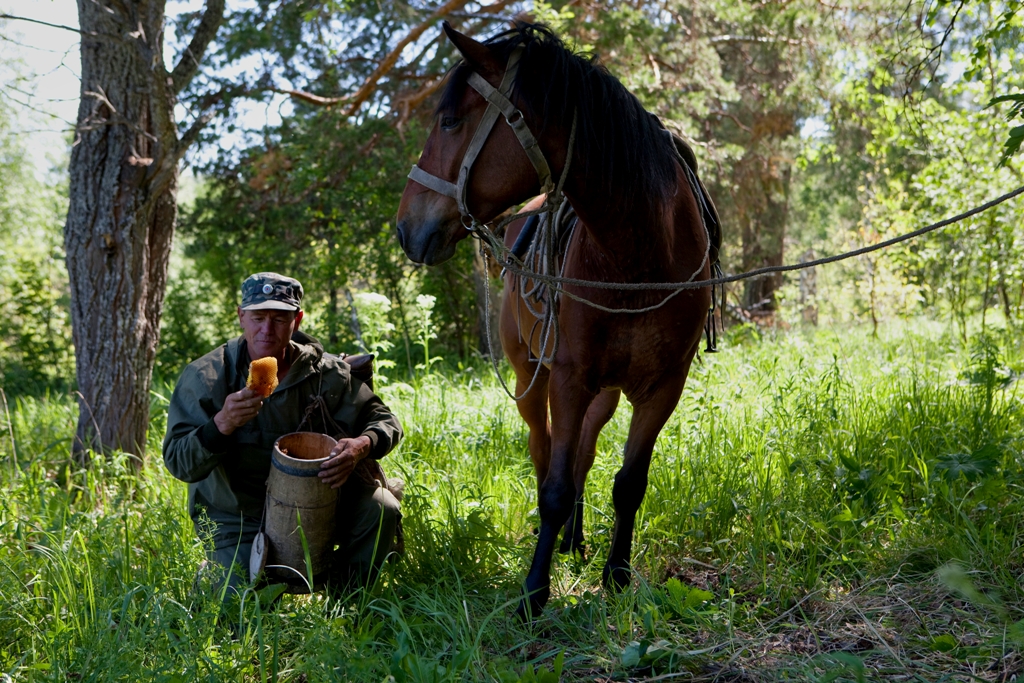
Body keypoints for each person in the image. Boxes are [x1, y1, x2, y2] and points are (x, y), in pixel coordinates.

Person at [163, 272, 403, 593]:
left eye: (279, 319)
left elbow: (385, 421)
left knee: (381, 508)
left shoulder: (325, 374)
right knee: (243, 608)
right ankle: (221, 570)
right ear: (241, 318)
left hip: (323, 503)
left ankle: (350, 607)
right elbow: (179, 462)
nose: (267, 329)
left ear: (298, 320)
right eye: (258, 317)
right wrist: (221, 425)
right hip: (239, 515)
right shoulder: (207, 378)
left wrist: (361, 445)